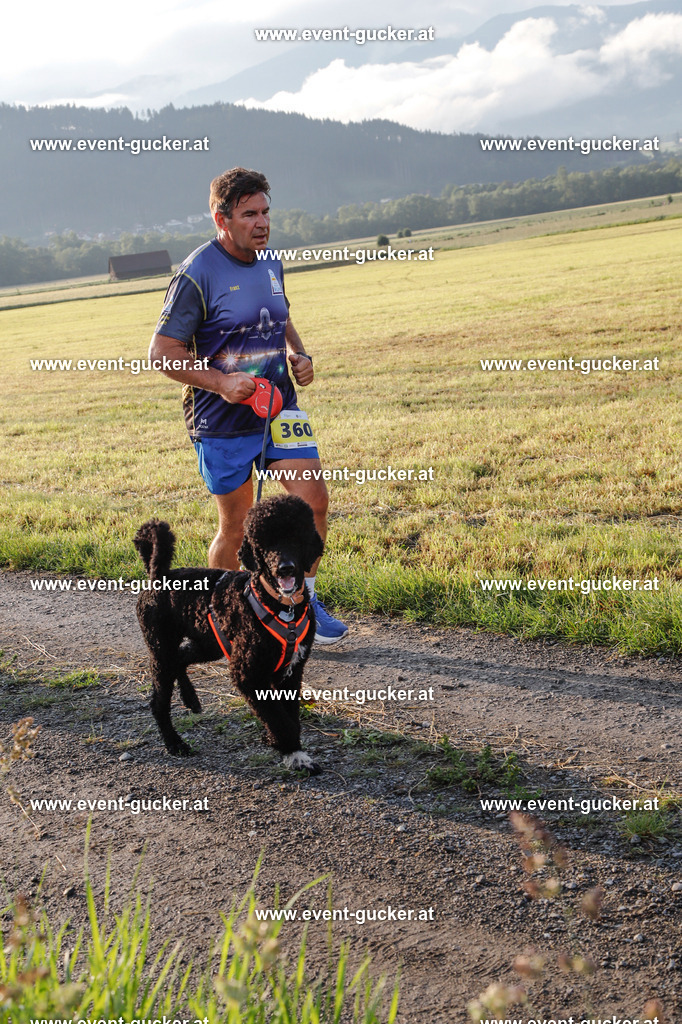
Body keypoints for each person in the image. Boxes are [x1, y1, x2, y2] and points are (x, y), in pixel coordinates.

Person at [148, 166, 348, 644]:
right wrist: (219, 383)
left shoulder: (270, 260)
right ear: (221, 219)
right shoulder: (197, 274)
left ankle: (303, 603)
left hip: (279, 407)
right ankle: (220, 617)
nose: (262, 223)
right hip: (221, 420)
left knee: (313, 501)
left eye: (265, 212)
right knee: (236, 528)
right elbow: (161, 355)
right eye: (248, 214)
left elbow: (281, 314)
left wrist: (300, 353)